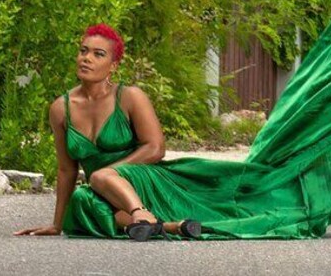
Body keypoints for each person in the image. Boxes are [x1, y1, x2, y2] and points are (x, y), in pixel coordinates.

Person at [13, 23, 201, 241]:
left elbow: (156, 148)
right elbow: (66, 170)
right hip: (100, 190)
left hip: (140, 178)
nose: (86, 58)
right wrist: (57, 224)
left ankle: (140, 212)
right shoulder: (60, 108)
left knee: (98, 179)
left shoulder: (130, 96)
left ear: (113, 66)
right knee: (82, 199)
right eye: (83, 51)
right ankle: (169, 226)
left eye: (98, 54)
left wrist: (108, 173)